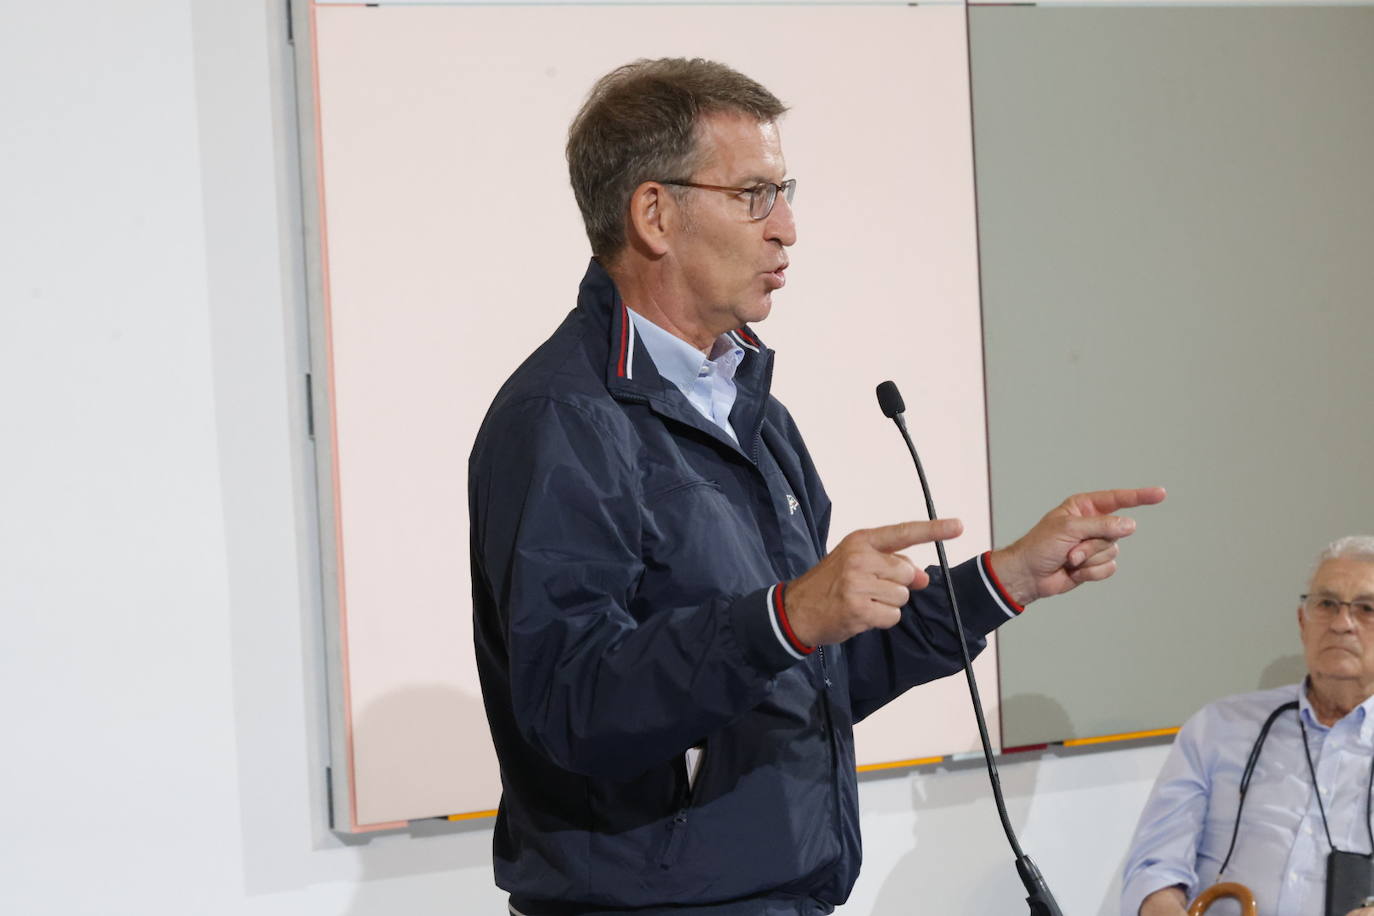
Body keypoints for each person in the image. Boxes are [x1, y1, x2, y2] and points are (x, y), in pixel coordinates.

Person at [469, 57, 1164, 916]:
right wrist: (786, 616)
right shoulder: (564, 419)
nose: (787, 227)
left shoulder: (757, 415)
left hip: (789, 894)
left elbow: (818, 675)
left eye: (785, 191)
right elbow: (572, 705)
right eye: (755, 193)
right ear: (654, 213)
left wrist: (1005, 580)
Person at [1122, 536, 1374, 916]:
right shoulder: (1217, 728)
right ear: (1302, 621)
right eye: (1326, 604)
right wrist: (1161, 904)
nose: (1342, 624)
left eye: (1367, 608)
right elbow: (1153, 866)